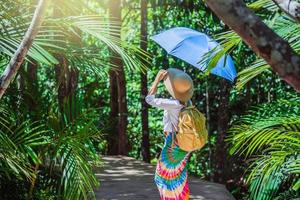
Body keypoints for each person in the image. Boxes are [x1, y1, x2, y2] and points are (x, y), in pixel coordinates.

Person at [145, 68, 194, 200]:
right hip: (185, 144)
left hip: (173, 142)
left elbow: (149, 99)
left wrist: (157, 80)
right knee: (179, 178)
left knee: (162, 176)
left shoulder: (173, 103)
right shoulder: (188, 103)